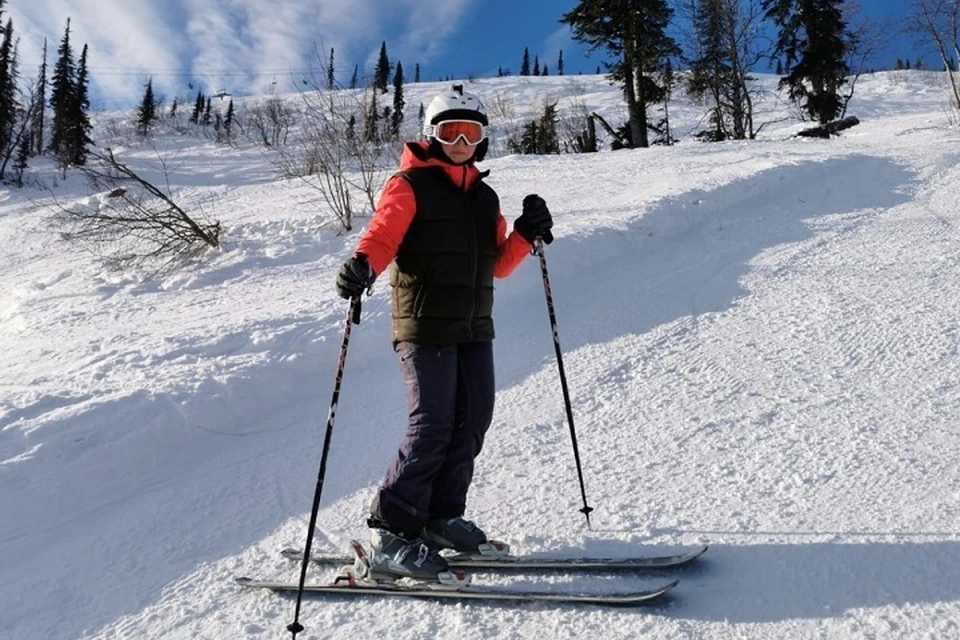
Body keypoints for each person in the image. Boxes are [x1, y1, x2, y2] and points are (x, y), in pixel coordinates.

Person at [334, 84, 553, 583]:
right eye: (448, 130)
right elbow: (384, 233)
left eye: (469, 131)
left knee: (472, 420)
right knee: (431, 424)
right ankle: (391, 531)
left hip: (474, 325)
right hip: (424, 322)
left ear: (482, 140)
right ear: (431, 136)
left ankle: (440, 518)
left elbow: (498, 265)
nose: (459, 140)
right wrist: (363, 265)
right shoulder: (409, 184)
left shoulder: (485, 196)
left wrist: (524, 234)